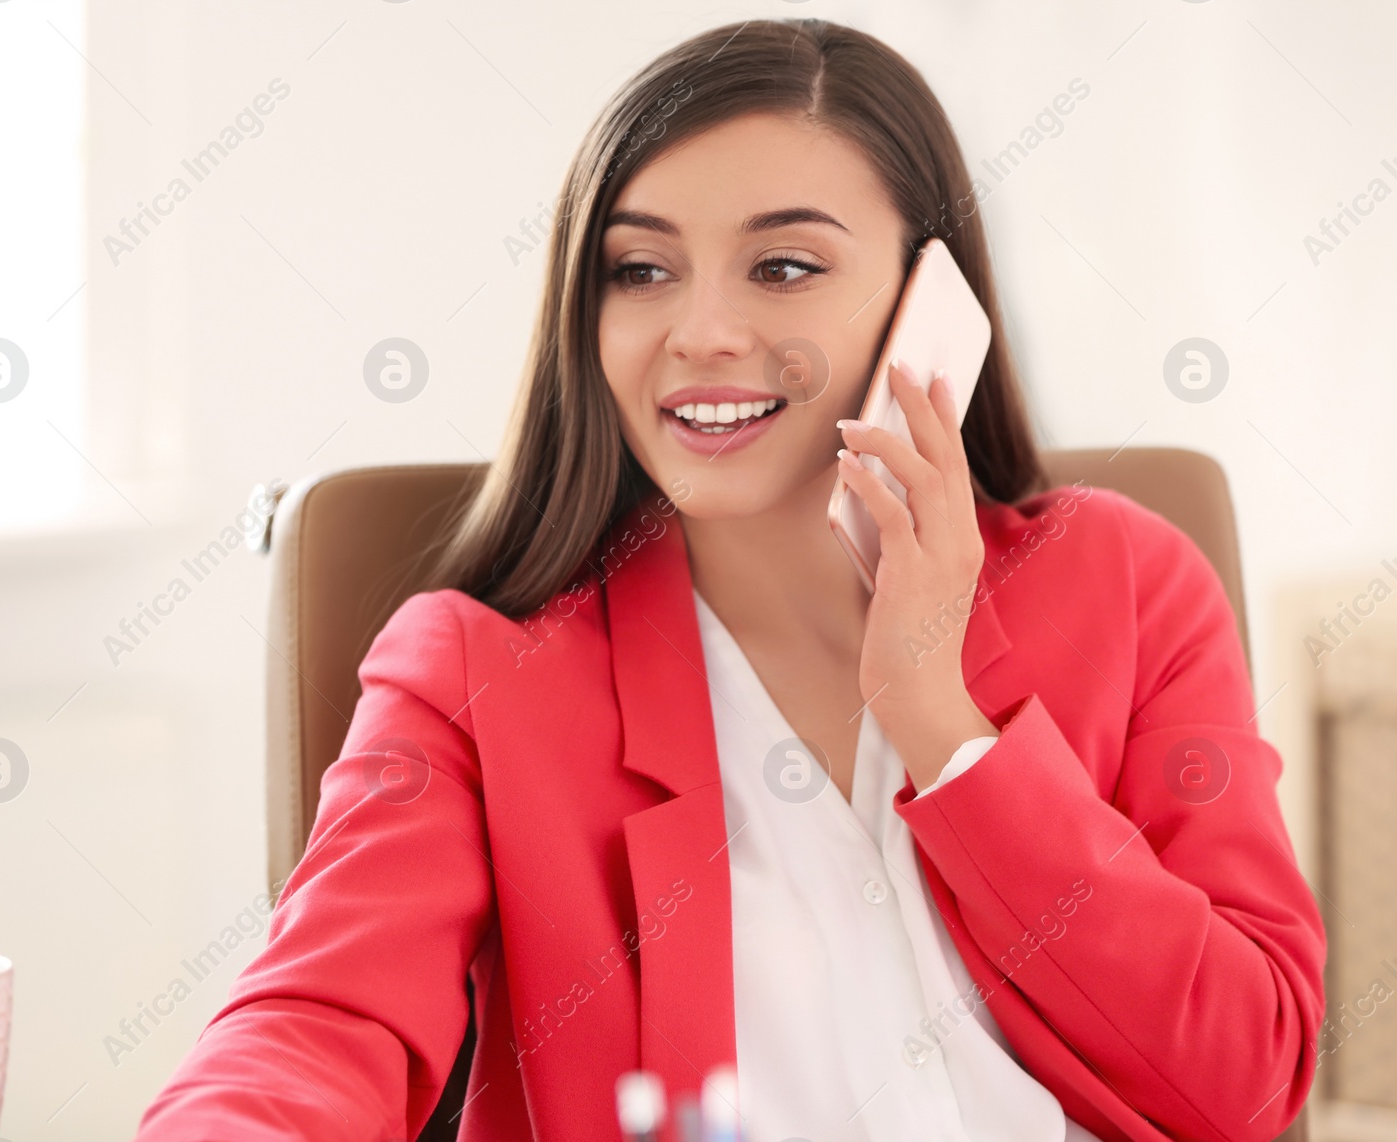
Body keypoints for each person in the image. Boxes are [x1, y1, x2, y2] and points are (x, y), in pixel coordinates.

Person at [135, 18, 1325, 1142]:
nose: (699, 330)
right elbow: (317, 1020)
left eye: (784, 265)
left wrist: (945, 727)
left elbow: (1246, 1081)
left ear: (930, 302)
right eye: (641, 271)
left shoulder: (1123, 578)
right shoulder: (472, 671)